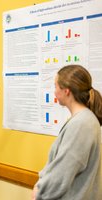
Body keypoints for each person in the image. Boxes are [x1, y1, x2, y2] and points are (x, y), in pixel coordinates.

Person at [32, 65, 102, 200]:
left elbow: (62, 172)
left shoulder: (82, 124)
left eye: (56, 87)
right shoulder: (82, 119)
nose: (54, 92)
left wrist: (40, 191)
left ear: (66, 91)